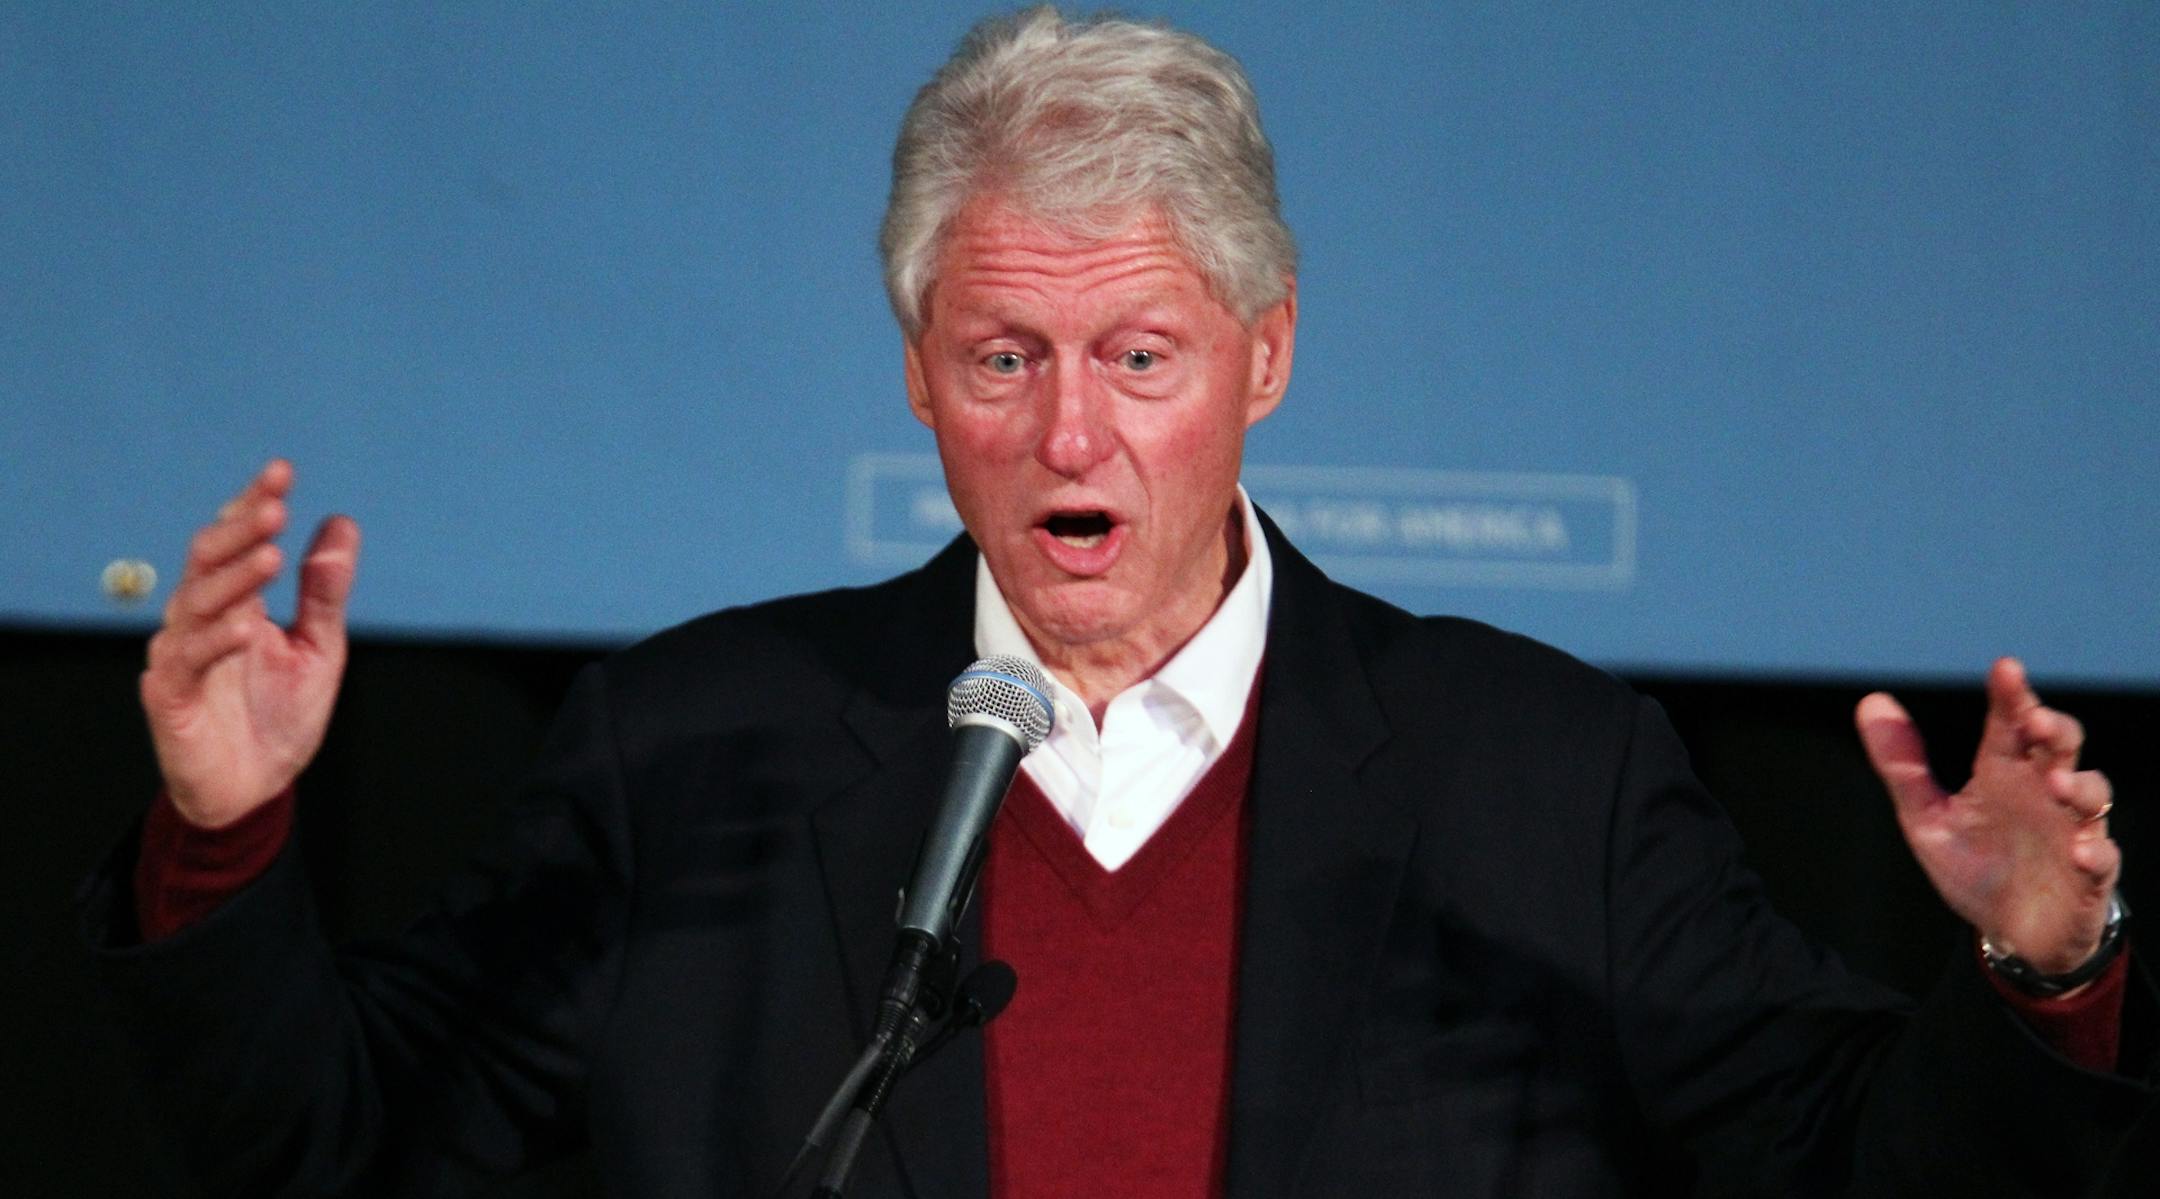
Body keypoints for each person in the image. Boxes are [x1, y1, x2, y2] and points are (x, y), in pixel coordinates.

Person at [86, 8, 2152, 1197]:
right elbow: (333, 1152)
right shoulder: (689, 749)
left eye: (1139, 358)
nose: (1071, 434)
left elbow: (1869, 1176)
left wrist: (2046, 978)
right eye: (1003, 359)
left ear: (1265, 359)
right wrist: (227, 836)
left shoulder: (1542, 776)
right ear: (915, 377)